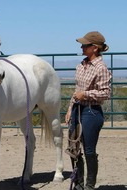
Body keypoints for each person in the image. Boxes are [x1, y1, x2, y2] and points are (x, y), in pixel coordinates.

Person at [65, 31, 112, 190]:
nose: (82, 47)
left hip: (91, 112)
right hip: (78, 110)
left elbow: (106, 93)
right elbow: (77, 90)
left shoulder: (101, 68)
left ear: (94, 48)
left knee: (89, 150)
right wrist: (70, 109)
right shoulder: (81, 65)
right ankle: (78, 185)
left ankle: (90, 186)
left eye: (85, 45)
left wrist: (85, 94)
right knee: (74, 148)